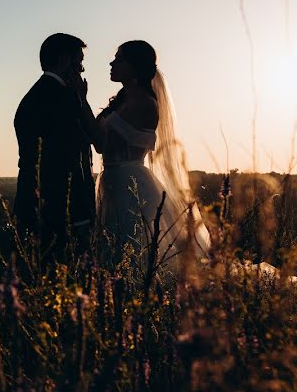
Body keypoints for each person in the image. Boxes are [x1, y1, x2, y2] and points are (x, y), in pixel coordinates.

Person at [73, 40, 211, 267]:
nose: (111, 63)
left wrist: (82, 99)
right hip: (113, 180)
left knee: (132, 248)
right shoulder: (123, 100)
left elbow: (100, 143)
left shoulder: (143, 104)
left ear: (134, 66)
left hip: (129, 183)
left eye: (119, 59)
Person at [13, 33, 96, 256]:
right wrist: (80, 215)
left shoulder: (35, 94)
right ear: (63, 59)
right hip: (59, 207)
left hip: (32, 201)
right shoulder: (63, 97)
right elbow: (71, 157)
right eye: (79, 61)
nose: (82, 69)